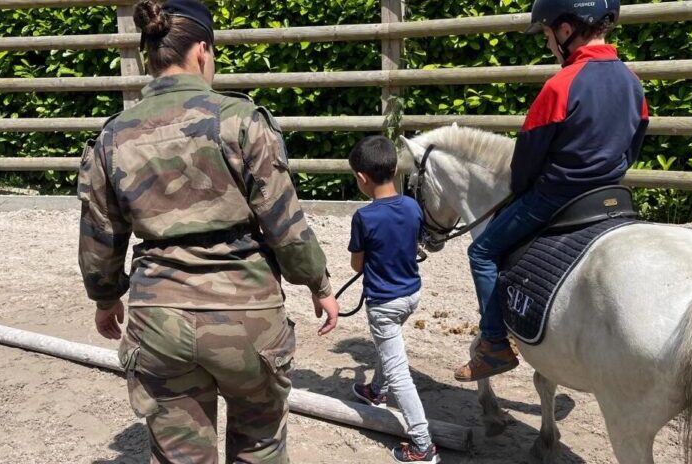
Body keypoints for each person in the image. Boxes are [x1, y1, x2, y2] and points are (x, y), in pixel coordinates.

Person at [76, 0, 340, 462]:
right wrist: (318, 284)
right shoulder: (241, 121)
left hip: (160, 318)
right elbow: (285, 222)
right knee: (260, 446)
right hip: (249, 320)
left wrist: (105, 298)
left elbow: (101, 234)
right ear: (202, 50)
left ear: (149, 57)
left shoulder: (112, 137)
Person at [454, 0, 648, 382]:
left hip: (557, 194)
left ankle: (493, 345)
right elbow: (634, 145)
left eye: (546, 35)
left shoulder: (561, 84)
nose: (547, 45)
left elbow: (527, 157)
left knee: (481, 251)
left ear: (565, 30)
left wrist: (522, 190)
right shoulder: (632, 81)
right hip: (609, 193)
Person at [345, 136, 439, 463]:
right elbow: (411, 245)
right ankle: (376, 390)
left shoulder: (364, 217)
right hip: (411, 294)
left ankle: (422, 444)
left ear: (361, 178)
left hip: (383, 303)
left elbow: (357, 264)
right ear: (395, 168)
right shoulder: (413, 206)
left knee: (399, 369)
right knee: (390, 344)